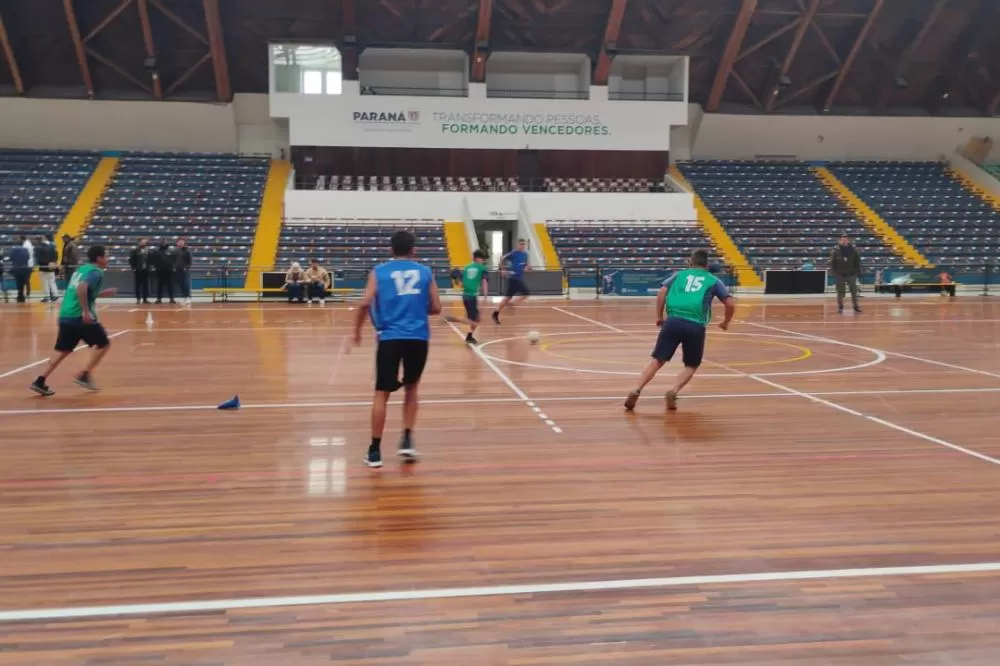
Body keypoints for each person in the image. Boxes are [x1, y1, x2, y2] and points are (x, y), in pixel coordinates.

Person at [353, 230, 441, 468]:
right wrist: (417, 309)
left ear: (391, 250)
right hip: (418, 338)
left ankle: (374, 451)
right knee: (411, 387)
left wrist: (357, 331)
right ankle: (407, 440)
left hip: (390, 338)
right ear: (414, 250)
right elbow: (436, 307)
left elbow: (364, 302)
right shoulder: (425, 272)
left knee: (382, 392)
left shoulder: (379, 272)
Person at [624, 249, 735, 412]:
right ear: (706, 265)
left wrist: (659, 316)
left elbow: (662, 292)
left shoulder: (679, 275)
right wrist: (725, 322)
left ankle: (637, 388)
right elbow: (730, 304)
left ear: (690, 263)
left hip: (673, 322)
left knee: (657, 360)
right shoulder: (713, 280)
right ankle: (673, 391)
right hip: (695, 326)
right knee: (692, 364)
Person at [30, 245, 117, 396]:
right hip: (79, 317)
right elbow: (82, 288)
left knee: (63, 351)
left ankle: (40, 380)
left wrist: (102, 293)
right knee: (104, 344)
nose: (108, 259)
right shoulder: (96, 272)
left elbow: (82, 290)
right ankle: (85, 374)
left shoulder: (82, 269)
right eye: (106, 256)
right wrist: (86, 311)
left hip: (65, 315)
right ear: (99, 258)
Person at [444, 249, 489, 344]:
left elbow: (459, 282)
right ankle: (452, 318)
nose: (483, 260)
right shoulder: (482, 268)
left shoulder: (467, 267)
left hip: (465, 295)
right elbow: (484, 281)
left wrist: (457, 280)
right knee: (474, 321)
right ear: (478, 258)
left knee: (477, 318)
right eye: (482, 258)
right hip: (471, 296)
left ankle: (469, 336)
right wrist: (485, 295)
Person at [492, 238, 530, 324]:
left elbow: (526, 264)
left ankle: (496, 313)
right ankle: (511, 304)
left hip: (518, 278)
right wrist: (503, 270)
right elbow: (502, 258)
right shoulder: (513, 253)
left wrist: (526, 267)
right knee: (526, 293)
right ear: (517, 245)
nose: (522, 246)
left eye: (523, 244)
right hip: (514, 278)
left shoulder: (525, 254)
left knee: (507, 298)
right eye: (520, 244)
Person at [830, 233, 861, 314]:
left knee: (854, 292)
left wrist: (856, 272)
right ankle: (840, 307)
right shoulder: (835, 250)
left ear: (848, 241)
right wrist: (835, 273)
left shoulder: (854, 250)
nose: (844, 241)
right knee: (840, 292)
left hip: (851, 274)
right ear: (840, 241)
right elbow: (832, 263)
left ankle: (856, 307)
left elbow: (857, 262)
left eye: (846, 240)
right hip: (840, 274)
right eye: (843, 240)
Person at [36, 234, 59, 303]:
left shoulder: (39, 247)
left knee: (44, 283)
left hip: (43, 267)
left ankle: (47, 297)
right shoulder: (53, 246)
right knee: (52, 282)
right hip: (51, 267)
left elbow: (38, 258)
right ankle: (55, 295)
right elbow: (56, 255)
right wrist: (53, 262)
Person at [129, 238, 152, 304]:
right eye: (142, 242)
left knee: (145, 284)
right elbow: (131, 260)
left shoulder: (148, 250)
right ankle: (138, 298)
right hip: (138, 269)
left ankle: (145, 299)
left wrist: (149, 266)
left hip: (146, 269)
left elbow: (150, 259)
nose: (144, 243)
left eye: (144, 242)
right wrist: (133, 267)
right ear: (139, 243)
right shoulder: (135, 250)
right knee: (138, 284)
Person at [174, 238, 193, 306]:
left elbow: (190, 261)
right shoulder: (175, 251)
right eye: (179, 242)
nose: (180, 243)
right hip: (178, 270)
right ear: (177, 243)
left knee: (186, 284)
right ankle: (185, 297)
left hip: (185, 270)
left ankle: (188, 298)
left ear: (184, 243)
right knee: (181, 284)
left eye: (182, 242)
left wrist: (186, 267)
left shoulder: (187, 251)